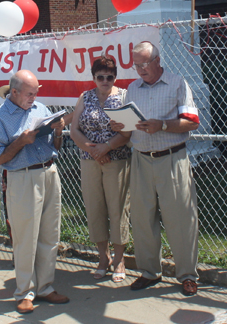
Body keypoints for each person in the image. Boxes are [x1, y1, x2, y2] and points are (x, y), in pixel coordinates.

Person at [111, 42, 199, 296]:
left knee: (180, 219)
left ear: (157, 61)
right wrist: (122, 126)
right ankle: (149, 272)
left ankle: (187, 275)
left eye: (144, 63)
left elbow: (191, 123)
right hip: (140, 159)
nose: (139, 69)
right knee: (142, 219)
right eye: (135, 64)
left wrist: (161, 125)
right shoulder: (132, 89)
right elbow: (131, 129)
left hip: (172, 159)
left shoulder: (177, 83)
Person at [0, 70, 68, 314]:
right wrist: (21, 141)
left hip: (49, 173)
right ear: (14, 92)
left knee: (49, 235)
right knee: (25, 238)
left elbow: (56, 147)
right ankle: (24, 292)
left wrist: (57, 130)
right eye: (29, 94)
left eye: (36, 92)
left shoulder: (41, 109)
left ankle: (45, 287)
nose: (34, 97)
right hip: (22, 178)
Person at [70, 56, 131, 283]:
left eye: (110, 76)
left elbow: (128, 132)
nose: (105, 81)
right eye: (100, 77)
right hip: (89, 161)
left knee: (117, 209)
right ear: (94, 77)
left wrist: (106, 148)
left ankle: (119, 259)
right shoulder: (84, 97)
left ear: (115, 76)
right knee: (95, 209)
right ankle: (103, 258)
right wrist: (93, 150)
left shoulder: (124, 96)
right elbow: (74, 129)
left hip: (117, 160)